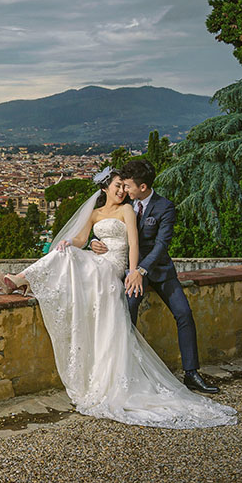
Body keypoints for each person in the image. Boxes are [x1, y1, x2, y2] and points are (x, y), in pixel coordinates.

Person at [0, 167, 236, 429]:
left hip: (127, 269)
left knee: (172, 311)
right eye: (118, 186)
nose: (122, 191)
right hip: (103, 263)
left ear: (134, 189)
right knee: (67, 255)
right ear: (107, 188)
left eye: (126, 187)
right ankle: (18, 280)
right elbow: (79, 241)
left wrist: (133, 271)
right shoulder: (95, 212)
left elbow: (142, 245)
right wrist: (74, 243)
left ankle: (18, 282)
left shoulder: (134, 210)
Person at [89, 160, 218, 394]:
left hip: (159, 270)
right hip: (130, 269)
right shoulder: (125, 202)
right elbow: (106, 225)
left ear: (144, 187)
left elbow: (161, 245)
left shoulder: (165, 207)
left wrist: (141, 270)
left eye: (128, 186)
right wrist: (95, 242)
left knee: (184, 314)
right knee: (128, 309)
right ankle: (124, 371)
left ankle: (191, 373)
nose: (124, 190)